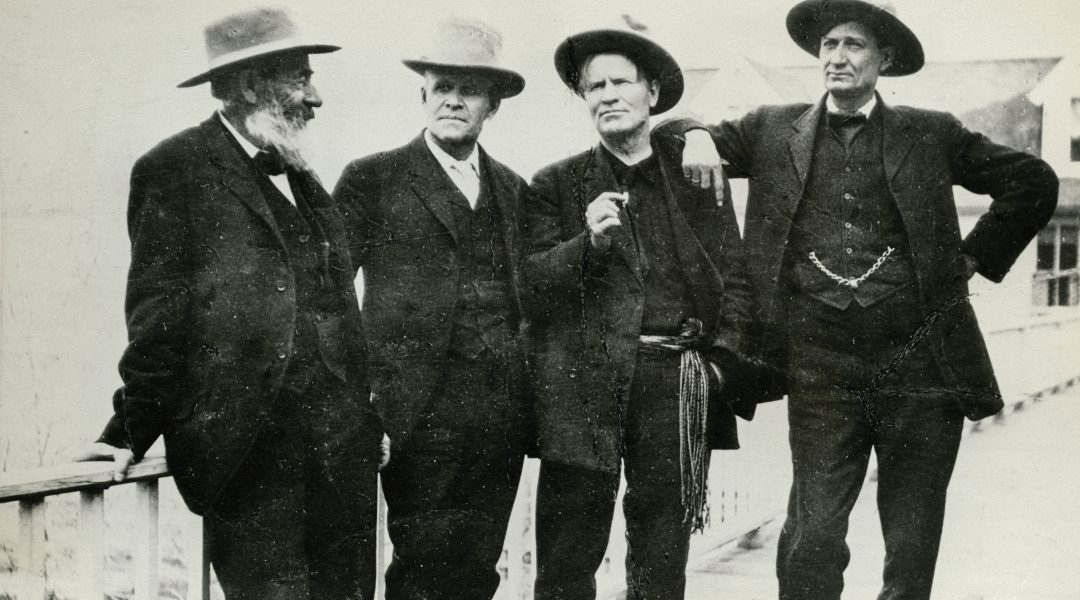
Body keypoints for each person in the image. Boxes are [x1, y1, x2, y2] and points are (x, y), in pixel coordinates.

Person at [664, 1, 1060, 598]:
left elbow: (1033, 181)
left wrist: (973, 258)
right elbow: (666, 135)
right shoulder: (770, 128)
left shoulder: (931, 132)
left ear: (885, 59)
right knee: (813, 534)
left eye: (854, 45)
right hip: (821, 369)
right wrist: (696, 134)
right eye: (829, 44)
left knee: (911, 540)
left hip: (921, 366)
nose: (837, 57)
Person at [76, 8, 381, 599]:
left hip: (340, 459)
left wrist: (368, 417)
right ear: (249, 85)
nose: (315, 98)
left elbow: (341, 310)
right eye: (301, 79)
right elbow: (159, 317)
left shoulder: (303, 176)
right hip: (249, 465)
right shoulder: (172, 170)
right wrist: (125, 432)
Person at [523, 27, 756, 600]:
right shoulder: (556, 183)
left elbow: (735, 278)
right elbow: (530, 288)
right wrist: (588, 244)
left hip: (674, 383)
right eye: (593, 86)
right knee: (567, 553)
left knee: (661, 553)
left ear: (651, 92)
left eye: (620, 82)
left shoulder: (695, 175)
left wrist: (719, 369)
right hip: (583, 387)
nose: (607, 95)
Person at [332, 18, 531, 600]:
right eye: (442, 86)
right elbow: (329, 298)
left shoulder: (514, 190)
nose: (453, 100)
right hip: (414, 416)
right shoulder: (372, 178)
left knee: (478, 566)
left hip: (498, 418)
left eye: (469, 89)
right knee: (422, 564)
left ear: (493, 105)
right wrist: (361, 404)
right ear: (423, 95)